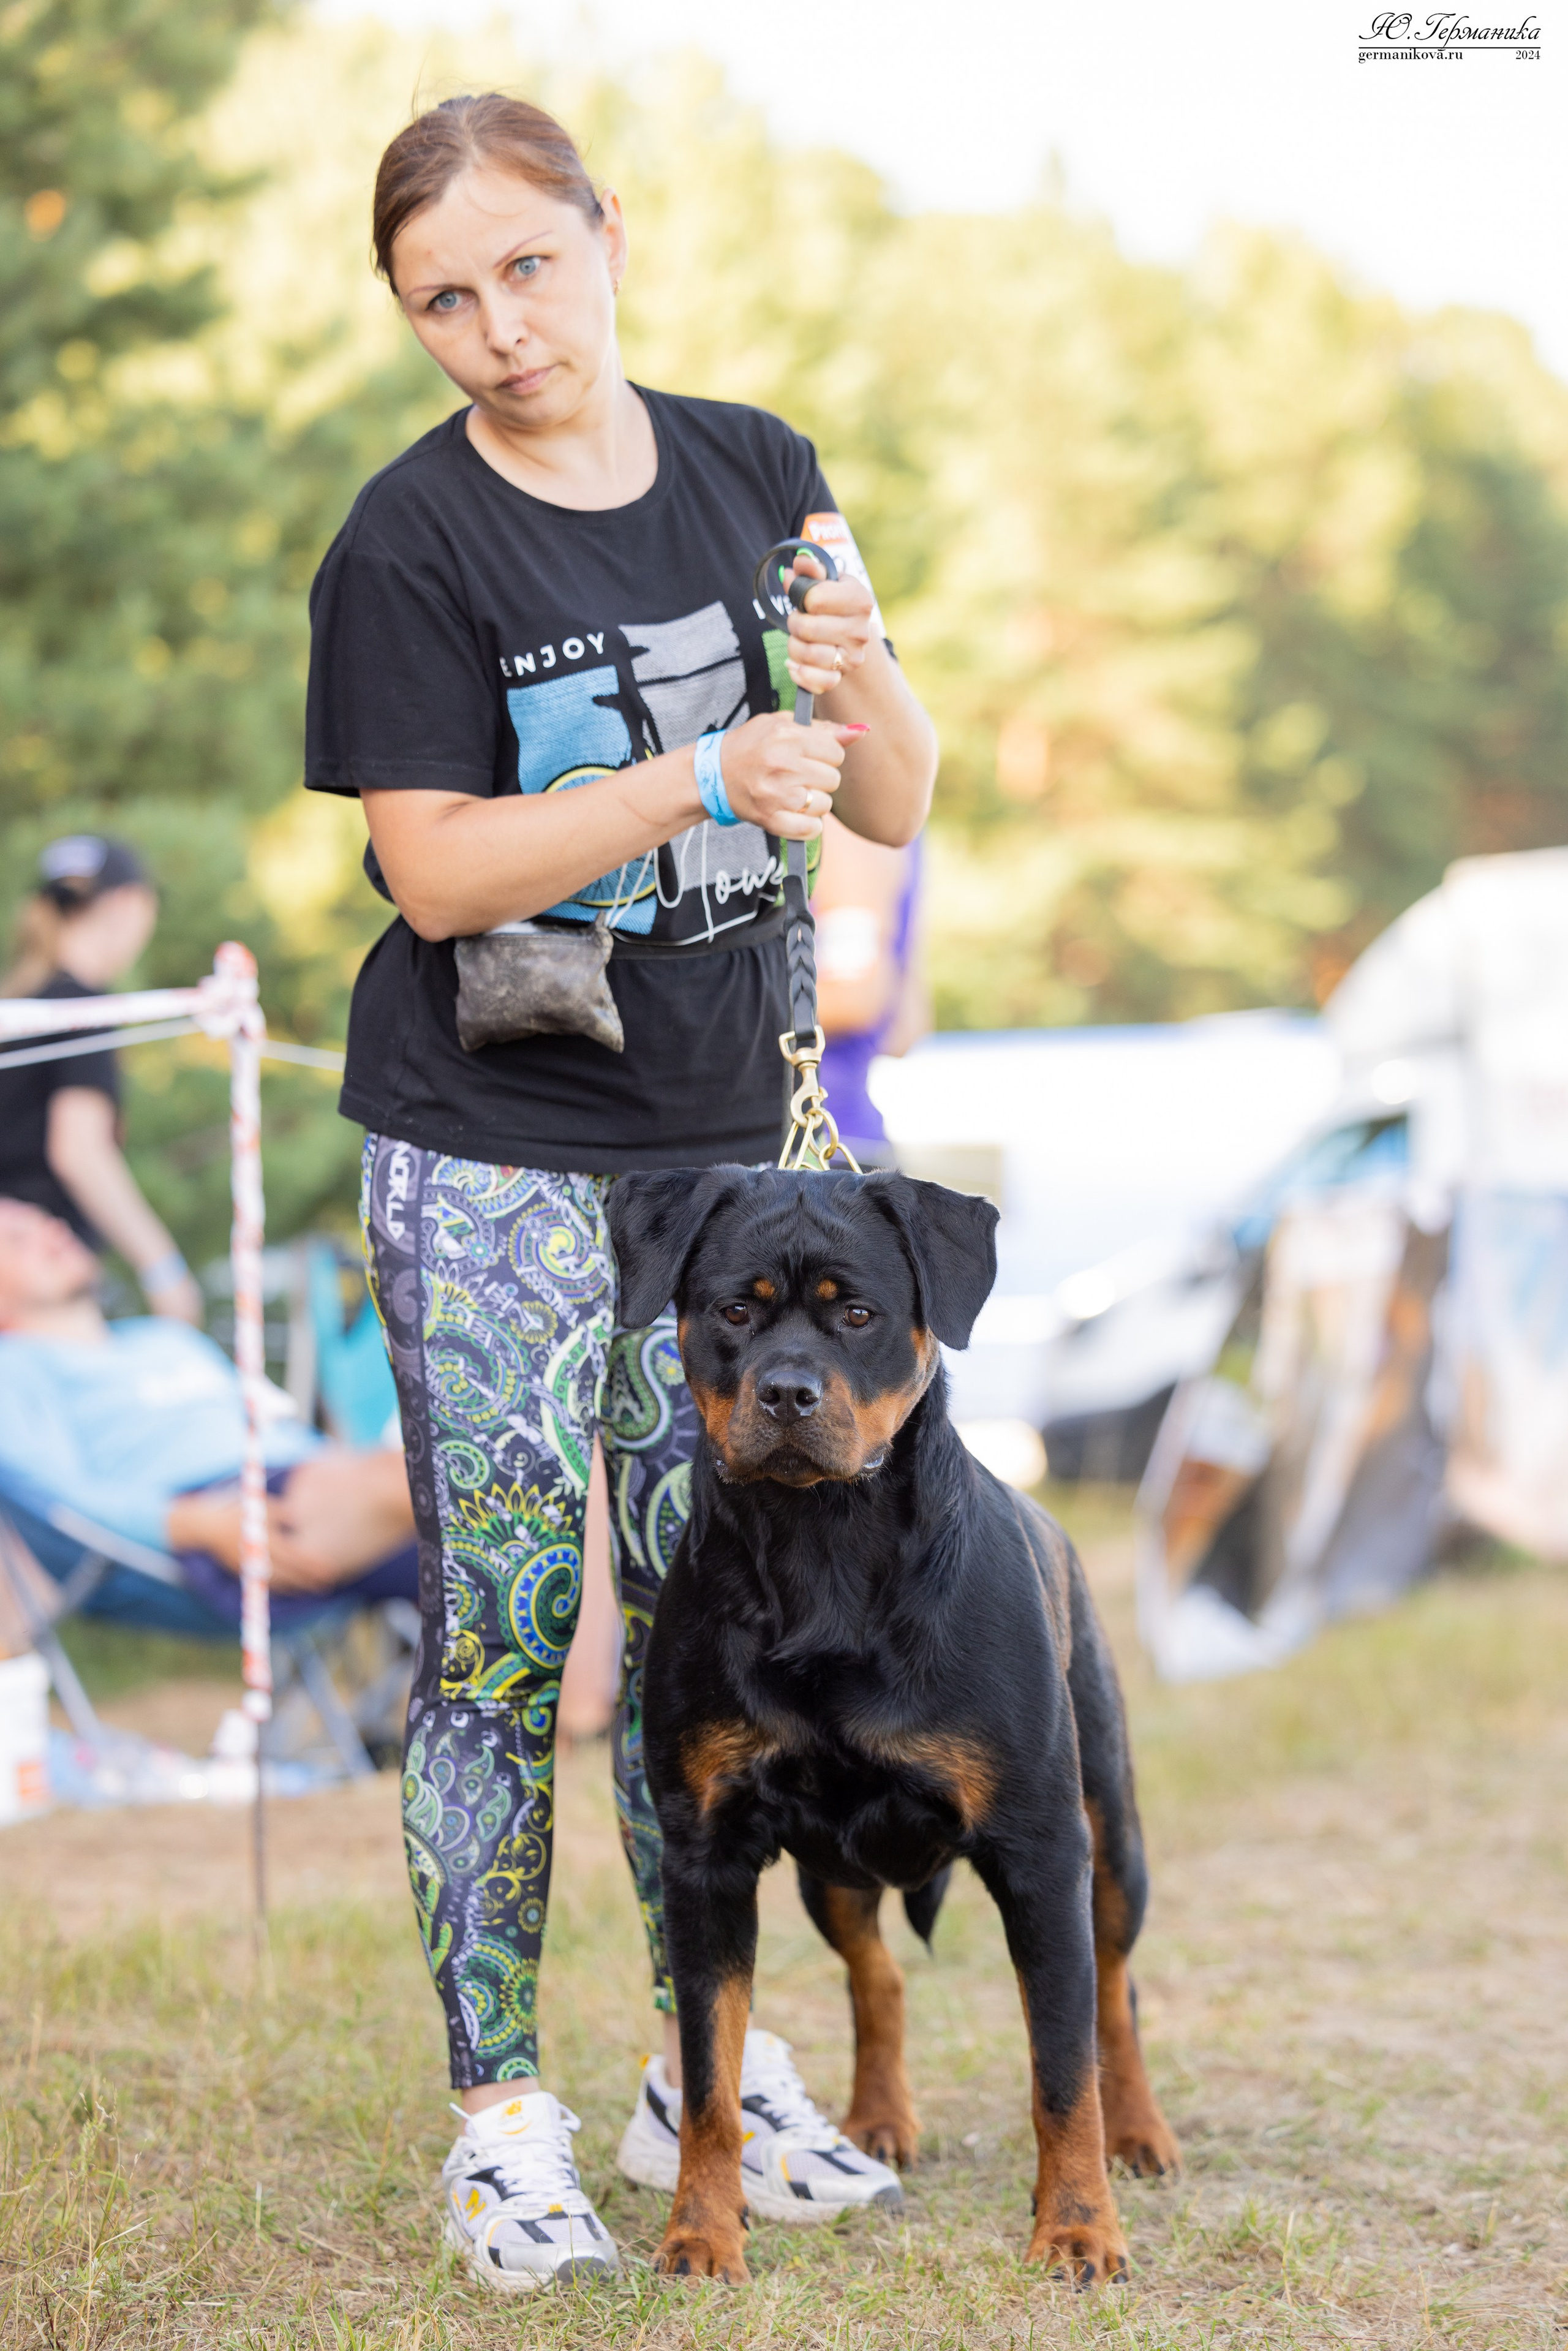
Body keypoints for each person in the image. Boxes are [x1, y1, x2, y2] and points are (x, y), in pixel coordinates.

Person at [305, 93, 938, 2292]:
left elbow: (887, 784)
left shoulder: (757, 461)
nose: (497, 329)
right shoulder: (405, 547)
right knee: (501, 1631)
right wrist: (684, 768)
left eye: (525, 268)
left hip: (713, 1157)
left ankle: (705, 2065)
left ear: (605, 237)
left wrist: (850, 672)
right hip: (482, 1140)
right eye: (442, 300)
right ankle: (501, 2119)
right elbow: (430, 863)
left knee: (716, 1638)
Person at [0, 1198, 418, 1625]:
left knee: (471, 1539)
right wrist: (197, 1525)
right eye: (18, 1239)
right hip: (216, 1522)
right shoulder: (14, 1368)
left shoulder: (167, 1339)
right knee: (443, 1485)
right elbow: (59, 1500)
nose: (53, 1233)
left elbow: (274, 1426)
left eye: (50, 1221)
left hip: (320, 1480)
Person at [0, 836, 205, 1324]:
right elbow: (79, 1151)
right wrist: (164, 1270)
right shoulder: (83, 1009)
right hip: (40, 1285)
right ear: (128, 904)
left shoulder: (23, 1007)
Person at [814, 815, 929, 1168]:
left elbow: (853, 996)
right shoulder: (893, 816)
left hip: (828, 1154)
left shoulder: (846, 822)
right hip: (848, 1149)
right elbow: (905, 1031)